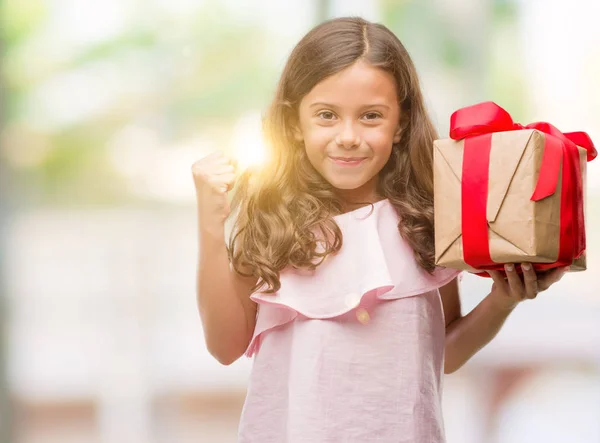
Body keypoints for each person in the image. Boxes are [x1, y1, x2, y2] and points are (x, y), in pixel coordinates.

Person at [191, 16, 568, 443]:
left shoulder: (425, 219)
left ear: (401, 123)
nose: (348, 136)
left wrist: (502, 300)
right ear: (295, 122)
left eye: (370, 116)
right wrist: (210, 223)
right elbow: (224, 347)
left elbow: (443, 353)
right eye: (326, 116)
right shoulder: (273, 221)